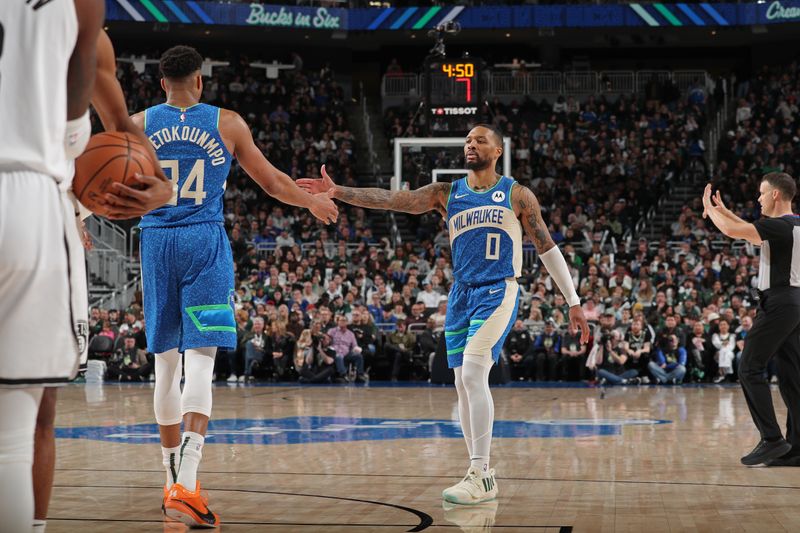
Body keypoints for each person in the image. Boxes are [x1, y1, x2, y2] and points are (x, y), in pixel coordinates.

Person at [299, 123, 589, 504]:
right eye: (467, 140)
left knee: (473, 371)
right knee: (462, 384)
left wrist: (573, 301)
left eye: (479, 140)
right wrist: (339, 192)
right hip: (461, 295)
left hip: (498, 289)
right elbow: (393, 200)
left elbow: (547, 247)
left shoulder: (517, 195)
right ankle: (478, 472)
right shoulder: (446, 193)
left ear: (497, 150)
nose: (470, 145)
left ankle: (481, 473)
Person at [124, 45, 338, 527]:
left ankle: (169, 479)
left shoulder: (136, 124)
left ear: (162, 84)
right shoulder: (228, 122)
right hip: (204, 241)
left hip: (155, 241)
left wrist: (78, 218)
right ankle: (188, 483)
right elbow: (271, 182)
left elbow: (110, 186)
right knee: (200, 361)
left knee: (164, 367)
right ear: (200, 81)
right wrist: (311, 203)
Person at [703, 174, 800, 466]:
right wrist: (724, 211)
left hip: (780, 302)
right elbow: (747, 228)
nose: (758, 198)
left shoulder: (778, 226)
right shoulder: (794, 225)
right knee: (792, 378)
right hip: (796, 303)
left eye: (761, 193)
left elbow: (735, 232)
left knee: (749, 367)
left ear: (775, 196)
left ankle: (771, 439)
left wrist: (709, 209)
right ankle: (796, 449)